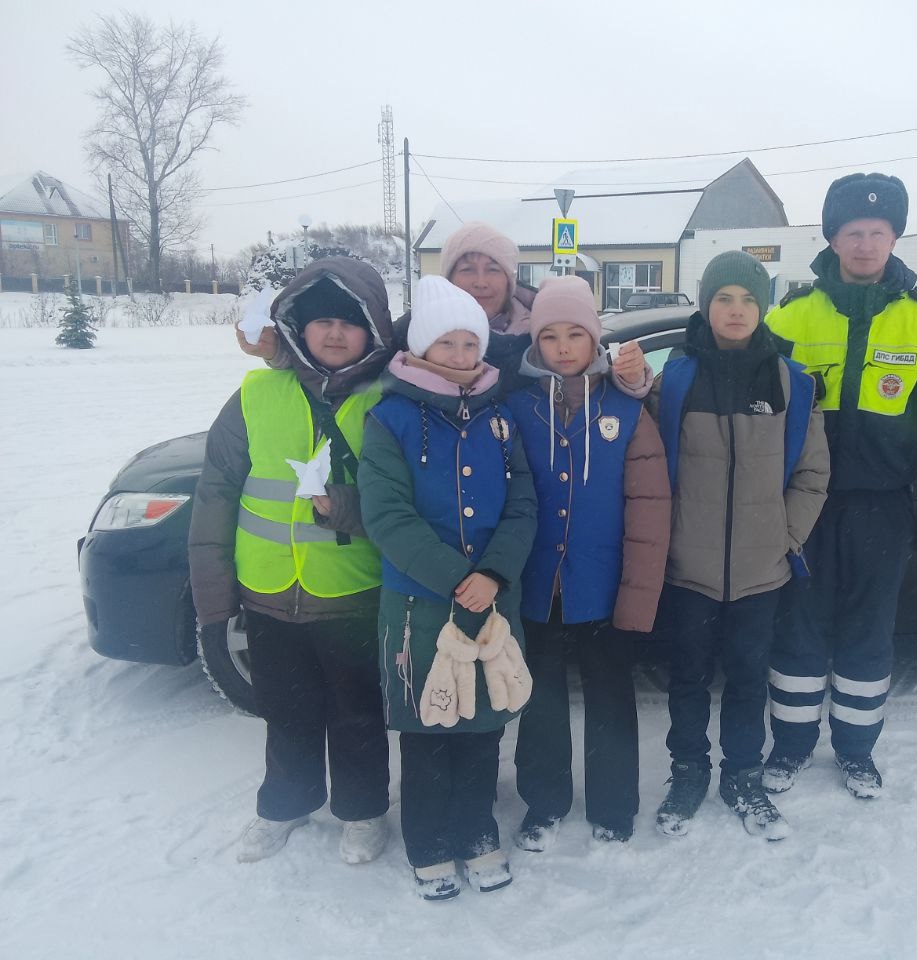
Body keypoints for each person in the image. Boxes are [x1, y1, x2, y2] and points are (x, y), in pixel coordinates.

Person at [763, 172, 917, 800]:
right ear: (833, 236)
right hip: (803, 506)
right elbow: (756, 409)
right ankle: (793, 746)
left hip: (882, 506)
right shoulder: (790, 315)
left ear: (894, 239)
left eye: (878, 233)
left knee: (867, 631)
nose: (865, 244)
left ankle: (856, 751)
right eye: (853, 231)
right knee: (796, 625)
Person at [189, 257, 393, 865]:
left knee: (357, 713)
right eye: (321, 321)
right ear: (297, 329)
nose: (334, 334)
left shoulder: (388, 401)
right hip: (268, 591)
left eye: (350, 324)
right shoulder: (256, 395)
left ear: (374, 333)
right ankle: (285, 803)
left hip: (351, 594)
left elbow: (405, 496)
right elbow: (217, 493)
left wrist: (346, 509)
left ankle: (362, 812)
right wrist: (214, 596)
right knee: (287, 711)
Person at [357, 276, 537, 901]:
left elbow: (522, 505)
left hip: (491, 600)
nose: (461, 355)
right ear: (422, 348)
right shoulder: (390, 419)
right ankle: (428, 838)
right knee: (428, 726)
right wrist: (458, 578)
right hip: (419, 605)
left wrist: (492, 575)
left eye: (471, 342)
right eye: (447, 343)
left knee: (483, 725)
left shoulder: (502, 417)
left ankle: (476, 827)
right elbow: (386, 516)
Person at [649, 251, 829, 841]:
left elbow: (811, 474)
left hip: (761, 571)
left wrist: (785, 537)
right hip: (687, 569)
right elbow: (647, 469)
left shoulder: (790, 383)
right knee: (688, 678)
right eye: (724, 298)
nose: (736, 310)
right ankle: (688, 772)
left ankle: (743, 775)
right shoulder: (674, 379)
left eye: (749, 299)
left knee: (750, 679)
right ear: (706, 304)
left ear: (763, 308)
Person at [505, 276, 671, 849]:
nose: (564, 346)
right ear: (535, 343)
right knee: (540, 702)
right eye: (549, 335)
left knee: (610, 701)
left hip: (604, 590)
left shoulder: (626, 410)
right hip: (534, 589)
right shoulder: (515, 408)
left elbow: (649, 510)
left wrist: (638, 595)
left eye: (576, 333)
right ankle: (544, 803)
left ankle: (613, 805)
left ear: (595, 338)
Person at [238, 222, 652, 399]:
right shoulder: (414, 331)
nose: (480, 280)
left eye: (493, 269)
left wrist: (635, 379)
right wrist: (280, 352)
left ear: (509, 278)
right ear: (450, 276)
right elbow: (350, 365)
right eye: (467, 268)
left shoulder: (540, 330)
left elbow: (590, 374)